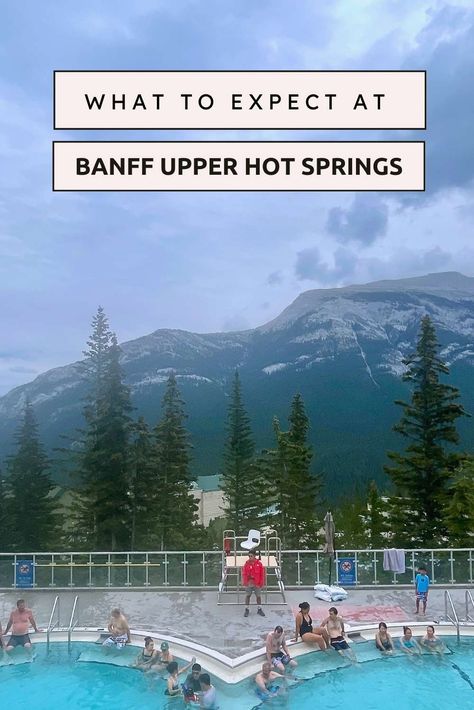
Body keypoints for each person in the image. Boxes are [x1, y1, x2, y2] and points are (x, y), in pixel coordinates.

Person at [242, 550, 265, 617]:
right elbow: (244, 573)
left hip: (256, 583)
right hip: (249, 583)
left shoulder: (259, 564)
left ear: (254, 556)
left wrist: (261, 583)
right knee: (248, 596)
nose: (250, 557)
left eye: (251, 556)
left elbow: (262, 574)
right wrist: (245, 582)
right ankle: (246, 609)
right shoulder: (246, 564)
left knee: (258, 596)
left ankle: (259, 609)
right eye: (249, 556)